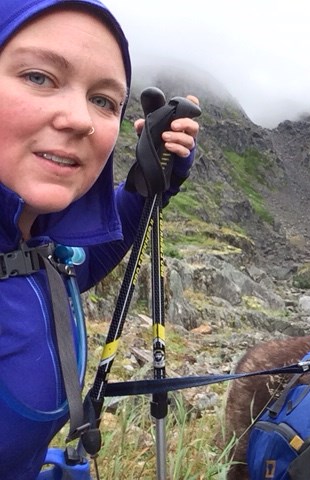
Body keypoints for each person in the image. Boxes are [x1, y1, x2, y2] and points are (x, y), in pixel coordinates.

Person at [0, 1, 200, 478]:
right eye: (38, 76)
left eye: (104, 100)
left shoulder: (36, 249)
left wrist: (149, 184)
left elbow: (83, 263)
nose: (80, 119)